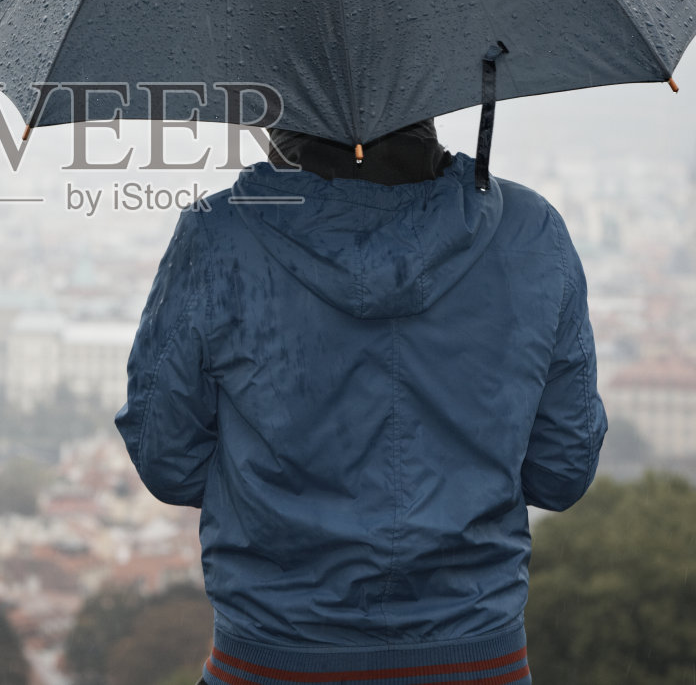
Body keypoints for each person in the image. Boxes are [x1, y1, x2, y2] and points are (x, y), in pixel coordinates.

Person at [115, 120, 606, 684]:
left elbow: (165, 458)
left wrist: (274, 492)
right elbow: (561, 471)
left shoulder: (222, 233)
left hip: (274, 658)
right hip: (476, 660)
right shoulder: (531, 231)